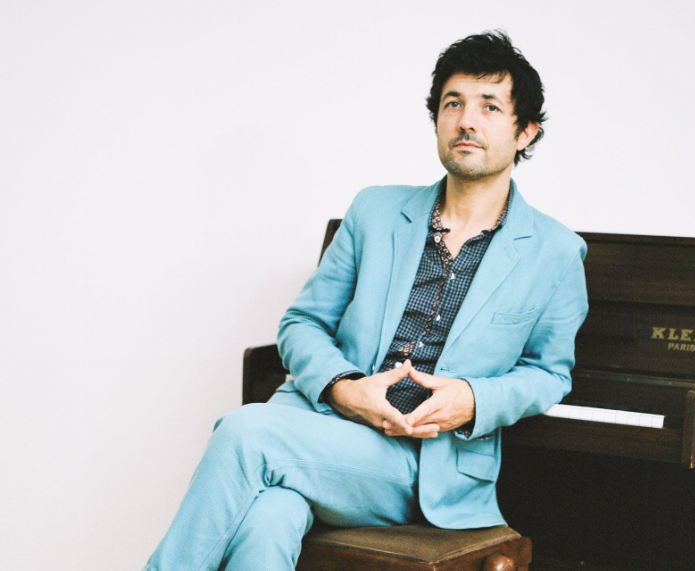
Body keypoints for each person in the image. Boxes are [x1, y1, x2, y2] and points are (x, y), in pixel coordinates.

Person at [143, 30, 588, 571]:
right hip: (320, 424)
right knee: (269, 519)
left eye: (489, 106)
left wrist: (471, 399)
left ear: (526, 131)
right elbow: (302, 323)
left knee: (244, 432)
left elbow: (548, 374)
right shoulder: (374, 212)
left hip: (422, 465)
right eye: (453, 103)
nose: (466, 121)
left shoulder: (554, 252)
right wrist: (346, 389)